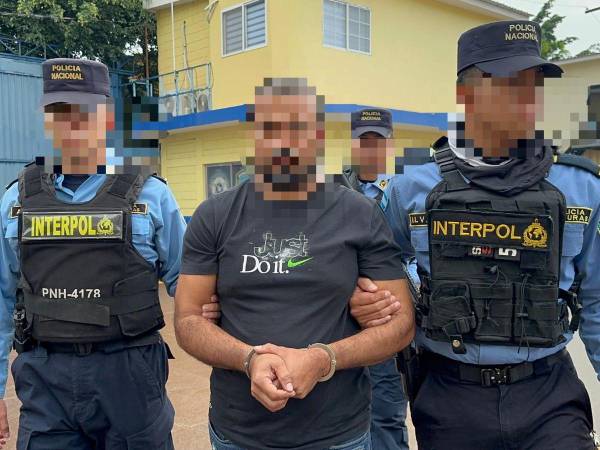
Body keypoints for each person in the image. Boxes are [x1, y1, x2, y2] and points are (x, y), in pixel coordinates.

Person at [351, 21, 599, 449]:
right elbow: (376, 264)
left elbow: (597, 300)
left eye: (534, 84)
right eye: (508, 83)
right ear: (464, 93)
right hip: (450, 398)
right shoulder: (413, 189)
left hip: (549, 395)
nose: (527, 99)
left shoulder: (580, 188)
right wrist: (374, 298)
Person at [174, 77, 415, 450]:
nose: (284, 142)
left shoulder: (359, 214)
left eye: (297, 128)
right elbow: (188, 320)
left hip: (338, 435)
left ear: (317, 136)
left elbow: (400, 324)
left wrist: (325, 358)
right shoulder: (214, 216)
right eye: (271, 129)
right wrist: (248, 359)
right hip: (239, 433)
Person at [0, 57, 218, 450]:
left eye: (83, 112)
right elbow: (1, 296)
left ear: (106, 117)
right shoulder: (17, 199)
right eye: (59, 112)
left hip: (129, 375)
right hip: (46, 381)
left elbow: (189, 285)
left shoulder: (151, 194)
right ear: (47, 120)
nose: (71, 124)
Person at [341, 108, 409, 450]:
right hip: (342, 321)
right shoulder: (333, 190)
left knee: (386, 415)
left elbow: (418, 254)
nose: (370, 149)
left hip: (389, 317)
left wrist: (389, 294)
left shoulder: (406, 191)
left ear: (390, 144)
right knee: (342, 417)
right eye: (363, 141)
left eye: (377, 141)